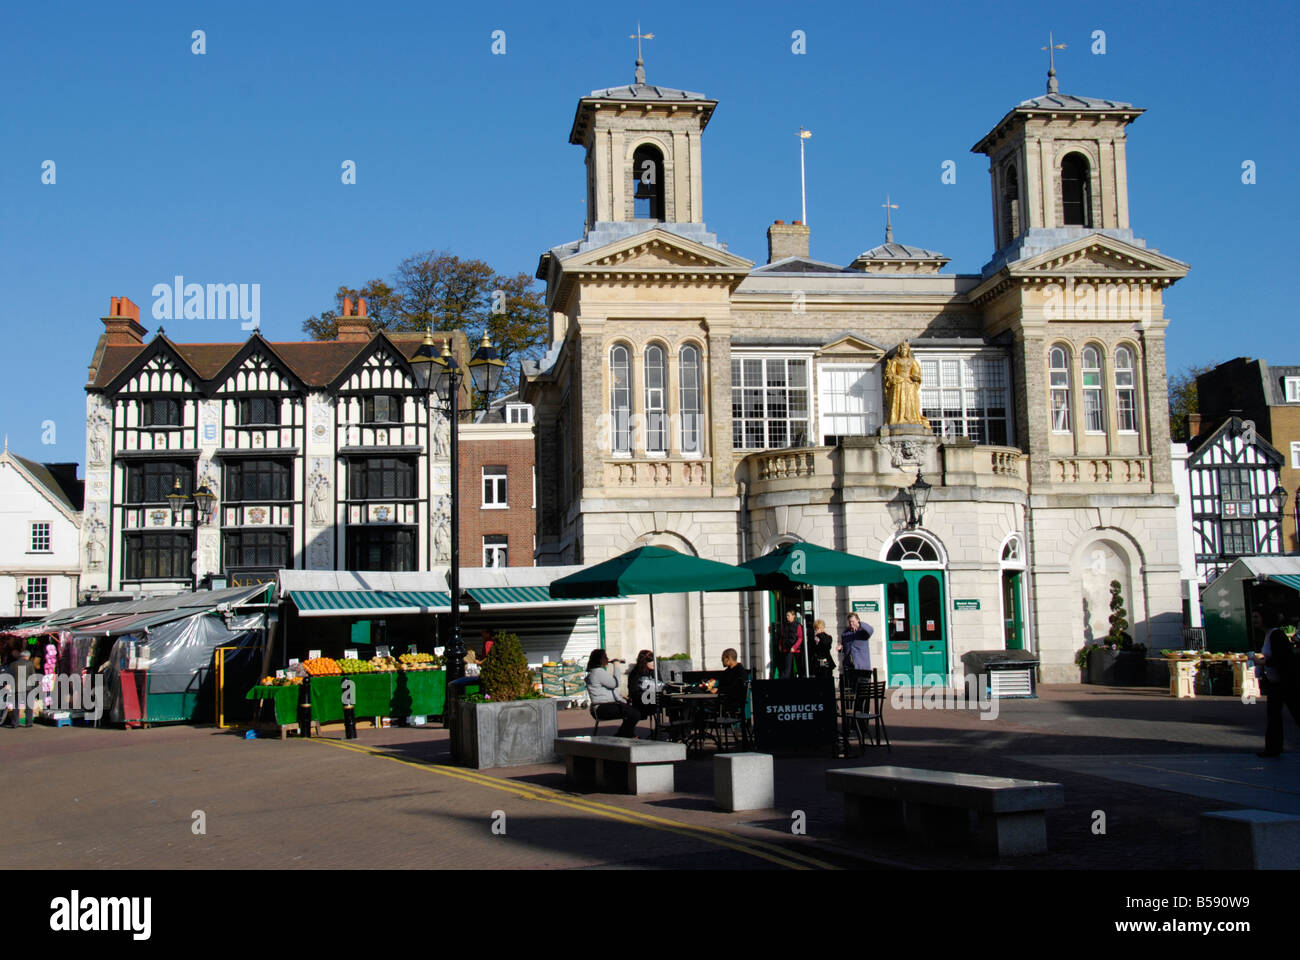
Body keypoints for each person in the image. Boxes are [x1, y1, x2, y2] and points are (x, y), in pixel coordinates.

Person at [1256, 618, 1300, 758]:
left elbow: (1282, 658)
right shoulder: (1269, 635)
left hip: (1286, 682)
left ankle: (1273, 748)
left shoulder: (1276, 635)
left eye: (1257, 617)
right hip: (1276, 682)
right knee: (1274, 715)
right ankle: (1273, 748)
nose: (1254, 620)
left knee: (1295, 712)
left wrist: (1262, 662)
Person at [585, 649, 639, 738]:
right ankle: (623, 736)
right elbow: (615, 683)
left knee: (632, 712)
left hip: (601, 707)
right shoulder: (598, 672)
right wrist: (616, 666)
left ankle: (624, 735)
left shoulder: (595, 672)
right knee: (635, 714)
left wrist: (623, 699)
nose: (608, 658)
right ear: (601, 659)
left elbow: (610, 690)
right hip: (602, 708)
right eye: (605, 657)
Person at [625, 649, 664, 723]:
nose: (654, 663)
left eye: (654, 660)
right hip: (642, 702)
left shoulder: (655, 671)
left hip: (656, 698)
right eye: (650, 661)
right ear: (644, 662)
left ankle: (676, 728)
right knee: (661, 701)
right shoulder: (635, 674)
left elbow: (661, 684)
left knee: (675, 703)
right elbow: (633, 692)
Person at [839, 612, 874, 679]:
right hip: (849, 667)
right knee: (850, 688)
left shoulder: (863, 632)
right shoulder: (845, 633)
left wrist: (859, 625)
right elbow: (845, 648)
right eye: (849, 622)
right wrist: (841, 648)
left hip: (862, 667)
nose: (851, 624)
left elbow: (870, 630)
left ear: (858, 620)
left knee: (863, 687)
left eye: (853, 621)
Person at [778, 609, 804, 679]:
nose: (787, 617)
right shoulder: (785, 625)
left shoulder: (798, 625)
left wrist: (794, 647)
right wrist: (780, 645)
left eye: (788, 615)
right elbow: (782, 636)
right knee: (788, 668)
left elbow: (800, 638)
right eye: (786, 615)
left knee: (799, 668)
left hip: (796, 650)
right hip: (787, 649)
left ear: (793, 616)